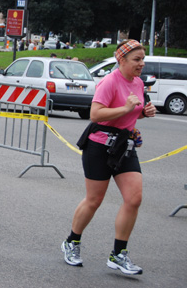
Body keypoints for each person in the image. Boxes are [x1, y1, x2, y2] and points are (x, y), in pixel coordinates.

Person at [61, 40, 155, 275]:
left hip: (125, 145)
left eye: (143, 59)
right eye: (137, 60)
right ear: (121, 60)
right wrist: (125, 109)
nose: (141, 64)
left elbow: (133, 111)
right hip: (99, 146)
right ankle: (71, 242)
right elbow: (95, 114)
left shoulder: (139, 82)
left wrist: (143, 112)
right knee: (94, 200)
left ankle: (118, 254)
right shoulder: (109, 82)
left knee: (134, 198)